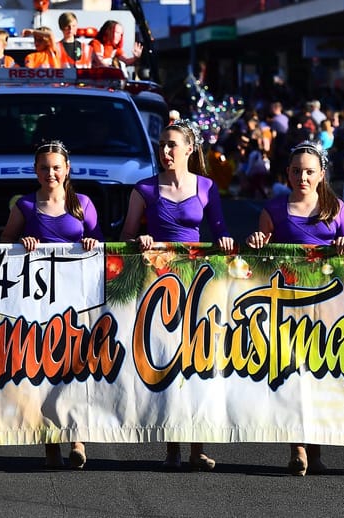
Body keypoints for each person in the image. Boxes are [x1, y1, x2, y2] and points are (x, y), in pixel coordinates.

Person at [121, 119, 232, 472]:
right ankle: (171, 446)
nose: (166, 151)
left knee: (197, 361)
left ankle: (197, 447)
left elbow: (220, 229)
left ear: (189, 149)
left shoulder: (207, 187)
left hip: (198, 282)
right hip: (159, 283)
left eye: (173, 145)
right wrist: (139, 240)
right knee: (167, 361)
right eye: (162, 144)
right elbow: (124, 236)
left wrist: (226, 239)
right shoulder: (144, 190)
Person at [246, 140, 344, 476]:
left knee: (320, 376)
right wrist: (255, 243)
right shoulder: (274, 210)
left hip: (327, 305)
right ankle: (297, 448)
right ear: (288, 174)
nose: (302, 177)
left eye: (309, 171)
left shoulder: (336, 208)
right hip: (288, 307)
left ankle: (317, 449)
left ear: (322, 174)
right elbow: (257, 260)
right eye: (296, 171)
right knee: (293, 376)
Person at [0, 140, 103, 469]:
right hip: (38, 301)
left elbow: (101, 245)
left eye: (56, 167)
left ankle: (77, 439)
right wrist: (21, 242)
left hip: (77, 301)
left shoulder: (83, 204)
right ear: (35, 171)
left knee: (75, 366)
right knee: (43, 368)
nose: (51, 173)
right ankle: (50, 444)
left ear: (67, 169)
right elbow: (2, 244)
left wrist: (90, 241)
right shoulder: (26, 206)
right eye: (44, 167)